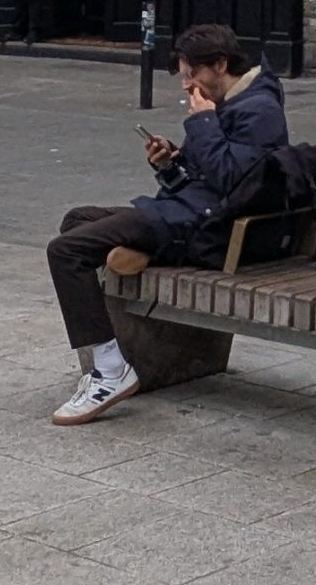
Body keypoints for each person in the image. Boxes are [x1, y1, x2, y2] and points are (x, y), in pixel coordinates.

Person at [43, 25, 299, 422]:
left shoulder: (259, 110)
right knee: (76, 221)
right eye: (183, 75)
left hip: (208, 232)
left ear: (220, 64)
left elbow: (234, 183)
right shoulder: (222, 105)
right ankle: (142, 250)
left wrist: (204, 125)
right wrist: (169, 163)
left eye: (191, 74)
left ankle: (111, 370)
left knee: (66, 251)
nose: (186, 85)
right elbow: (203, 177)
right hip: (186, 213)